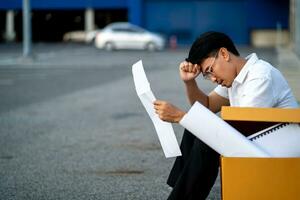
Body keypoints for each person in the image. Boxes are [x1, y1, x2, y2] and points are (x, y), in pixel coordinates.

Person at [153, 31, 298, 200]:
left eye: (209, 70)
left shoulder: (260, 77)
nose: (212, 79)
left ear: (223, 54)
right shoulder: (236, 76)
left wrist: (180, 117)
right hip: (261, 143)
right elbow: (206, 105)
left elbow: (237, 138)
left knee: (205, 136)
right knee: (197, 126)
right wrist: (189, 81)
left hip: (282, 157)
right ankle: (180, 189)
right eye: (207, 75)